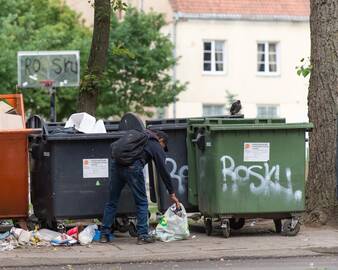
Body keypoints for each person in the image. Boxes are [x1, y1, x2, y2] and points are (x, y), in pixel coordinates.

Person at [100, 129, 180, 244]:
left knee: (112, 201)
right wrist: (172, 192)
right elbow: (163, 170)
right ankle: (142, 235)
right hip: (133, 168)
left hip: (116, 165)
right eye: (163, 146)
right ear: (161, 140)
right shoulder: (154, 143)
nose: (162, 149)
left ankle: (104, 235)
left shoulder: (137, 135)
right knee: (142, 202)